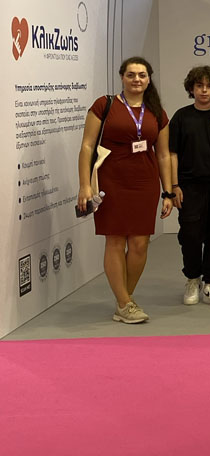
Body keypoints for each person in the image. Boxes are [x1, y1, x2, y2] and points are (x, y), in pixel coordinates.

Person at [76, 56, 174, 324]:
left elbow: (163, 154)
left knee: (140, 244)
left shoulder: (157, 112)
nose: (136, 80)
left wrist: (168, 191)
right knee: (116, 241)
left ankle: (125, 300)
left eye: (142, 75)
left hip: (145, 183)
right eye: (131, 75)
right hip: (111, 181)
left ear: (149, 79)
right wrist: (84, 185)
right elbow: (87, 146)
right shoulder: (104, 105)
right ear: (122, 77)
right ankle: (124, 303)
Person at [169, 65, 210, 308]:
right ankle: (192, 278)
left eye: (209, 86)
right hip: (189, 186)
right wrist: (174, 185)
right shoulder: (181, 117)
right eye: (199, 86)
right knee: (190, 235)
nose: (204, 90)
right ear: (191, 88)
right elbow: (172, 154)